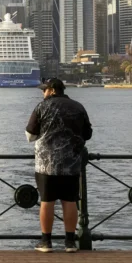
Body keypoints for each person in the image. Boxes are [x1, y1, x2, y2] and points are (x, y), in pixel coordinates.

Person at [25, 77, 93, 253]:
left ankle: (46, 242)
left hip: (46, 163)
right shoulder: (78, 107)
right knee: (70, 201)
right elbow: (88, 134)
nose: (42, 93)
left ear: (52, 90)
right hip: (71, 162)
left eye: (44, 90)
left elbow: (30, 135)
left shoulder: (42, 107)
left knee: (47, 201)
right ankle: (70, 242)